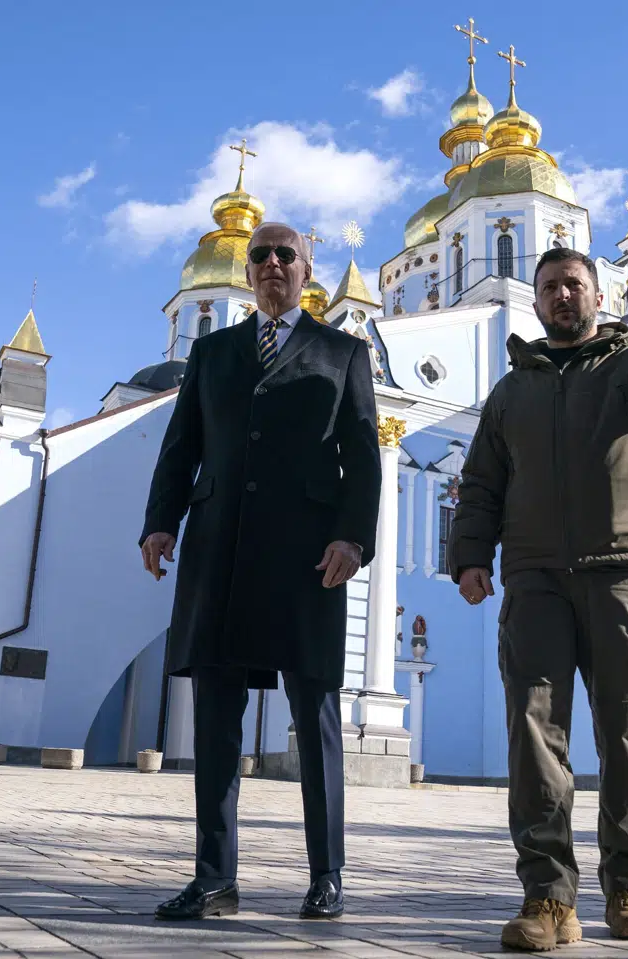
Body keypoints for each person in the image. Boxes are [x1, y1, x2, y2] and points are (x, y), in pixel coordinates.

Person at [448, 220, 628, 952]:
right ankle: (547, 898)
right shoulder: (511, 393)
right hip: (533, 576)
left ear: (598, 294)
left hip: (620, 570)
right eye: (550, 286)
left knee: (626, 731)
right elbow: (481, 482)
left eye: (575, 284)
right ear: (535, 301)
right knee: (534, 734)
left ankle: (627, 887)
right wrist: (471, 552)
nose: (562, 295)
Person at [140, 222, 380, 923]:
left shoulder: (343, 353)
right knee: (216, 719)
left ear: (308, 271)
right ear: (247, 273)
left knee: (317, 715)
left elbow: (362, 458)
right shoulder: (212, 353)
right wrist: (161, 520)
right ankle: (215, 879)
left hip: (310, 560)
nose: (272, 264)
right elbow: (181, 445)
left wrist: (353, 539)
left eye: (286, 255)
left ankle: (326, 875)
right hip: (220, 553)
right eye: (260, 256)